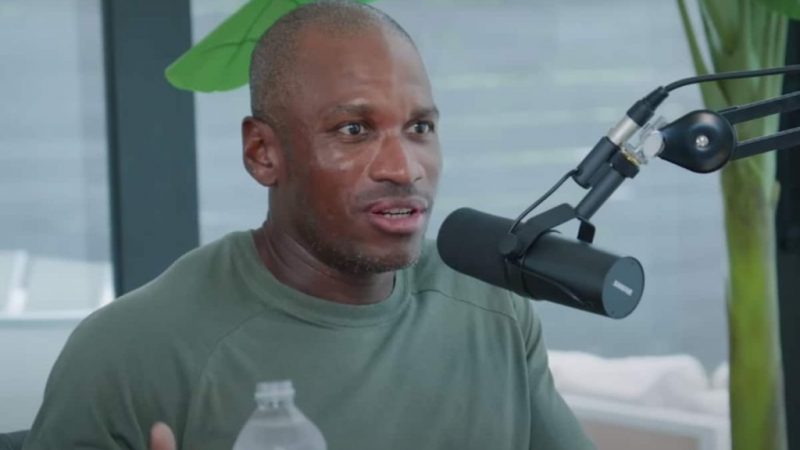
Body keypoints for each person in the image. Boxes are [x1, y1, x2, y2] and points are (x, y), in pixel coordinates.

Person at [23, 1, 594, 449]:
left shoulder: (492, 307)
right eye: (354, 130)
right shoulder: (132, 353)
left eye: (419, 128)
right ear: (262, 153)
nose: (403, 169)